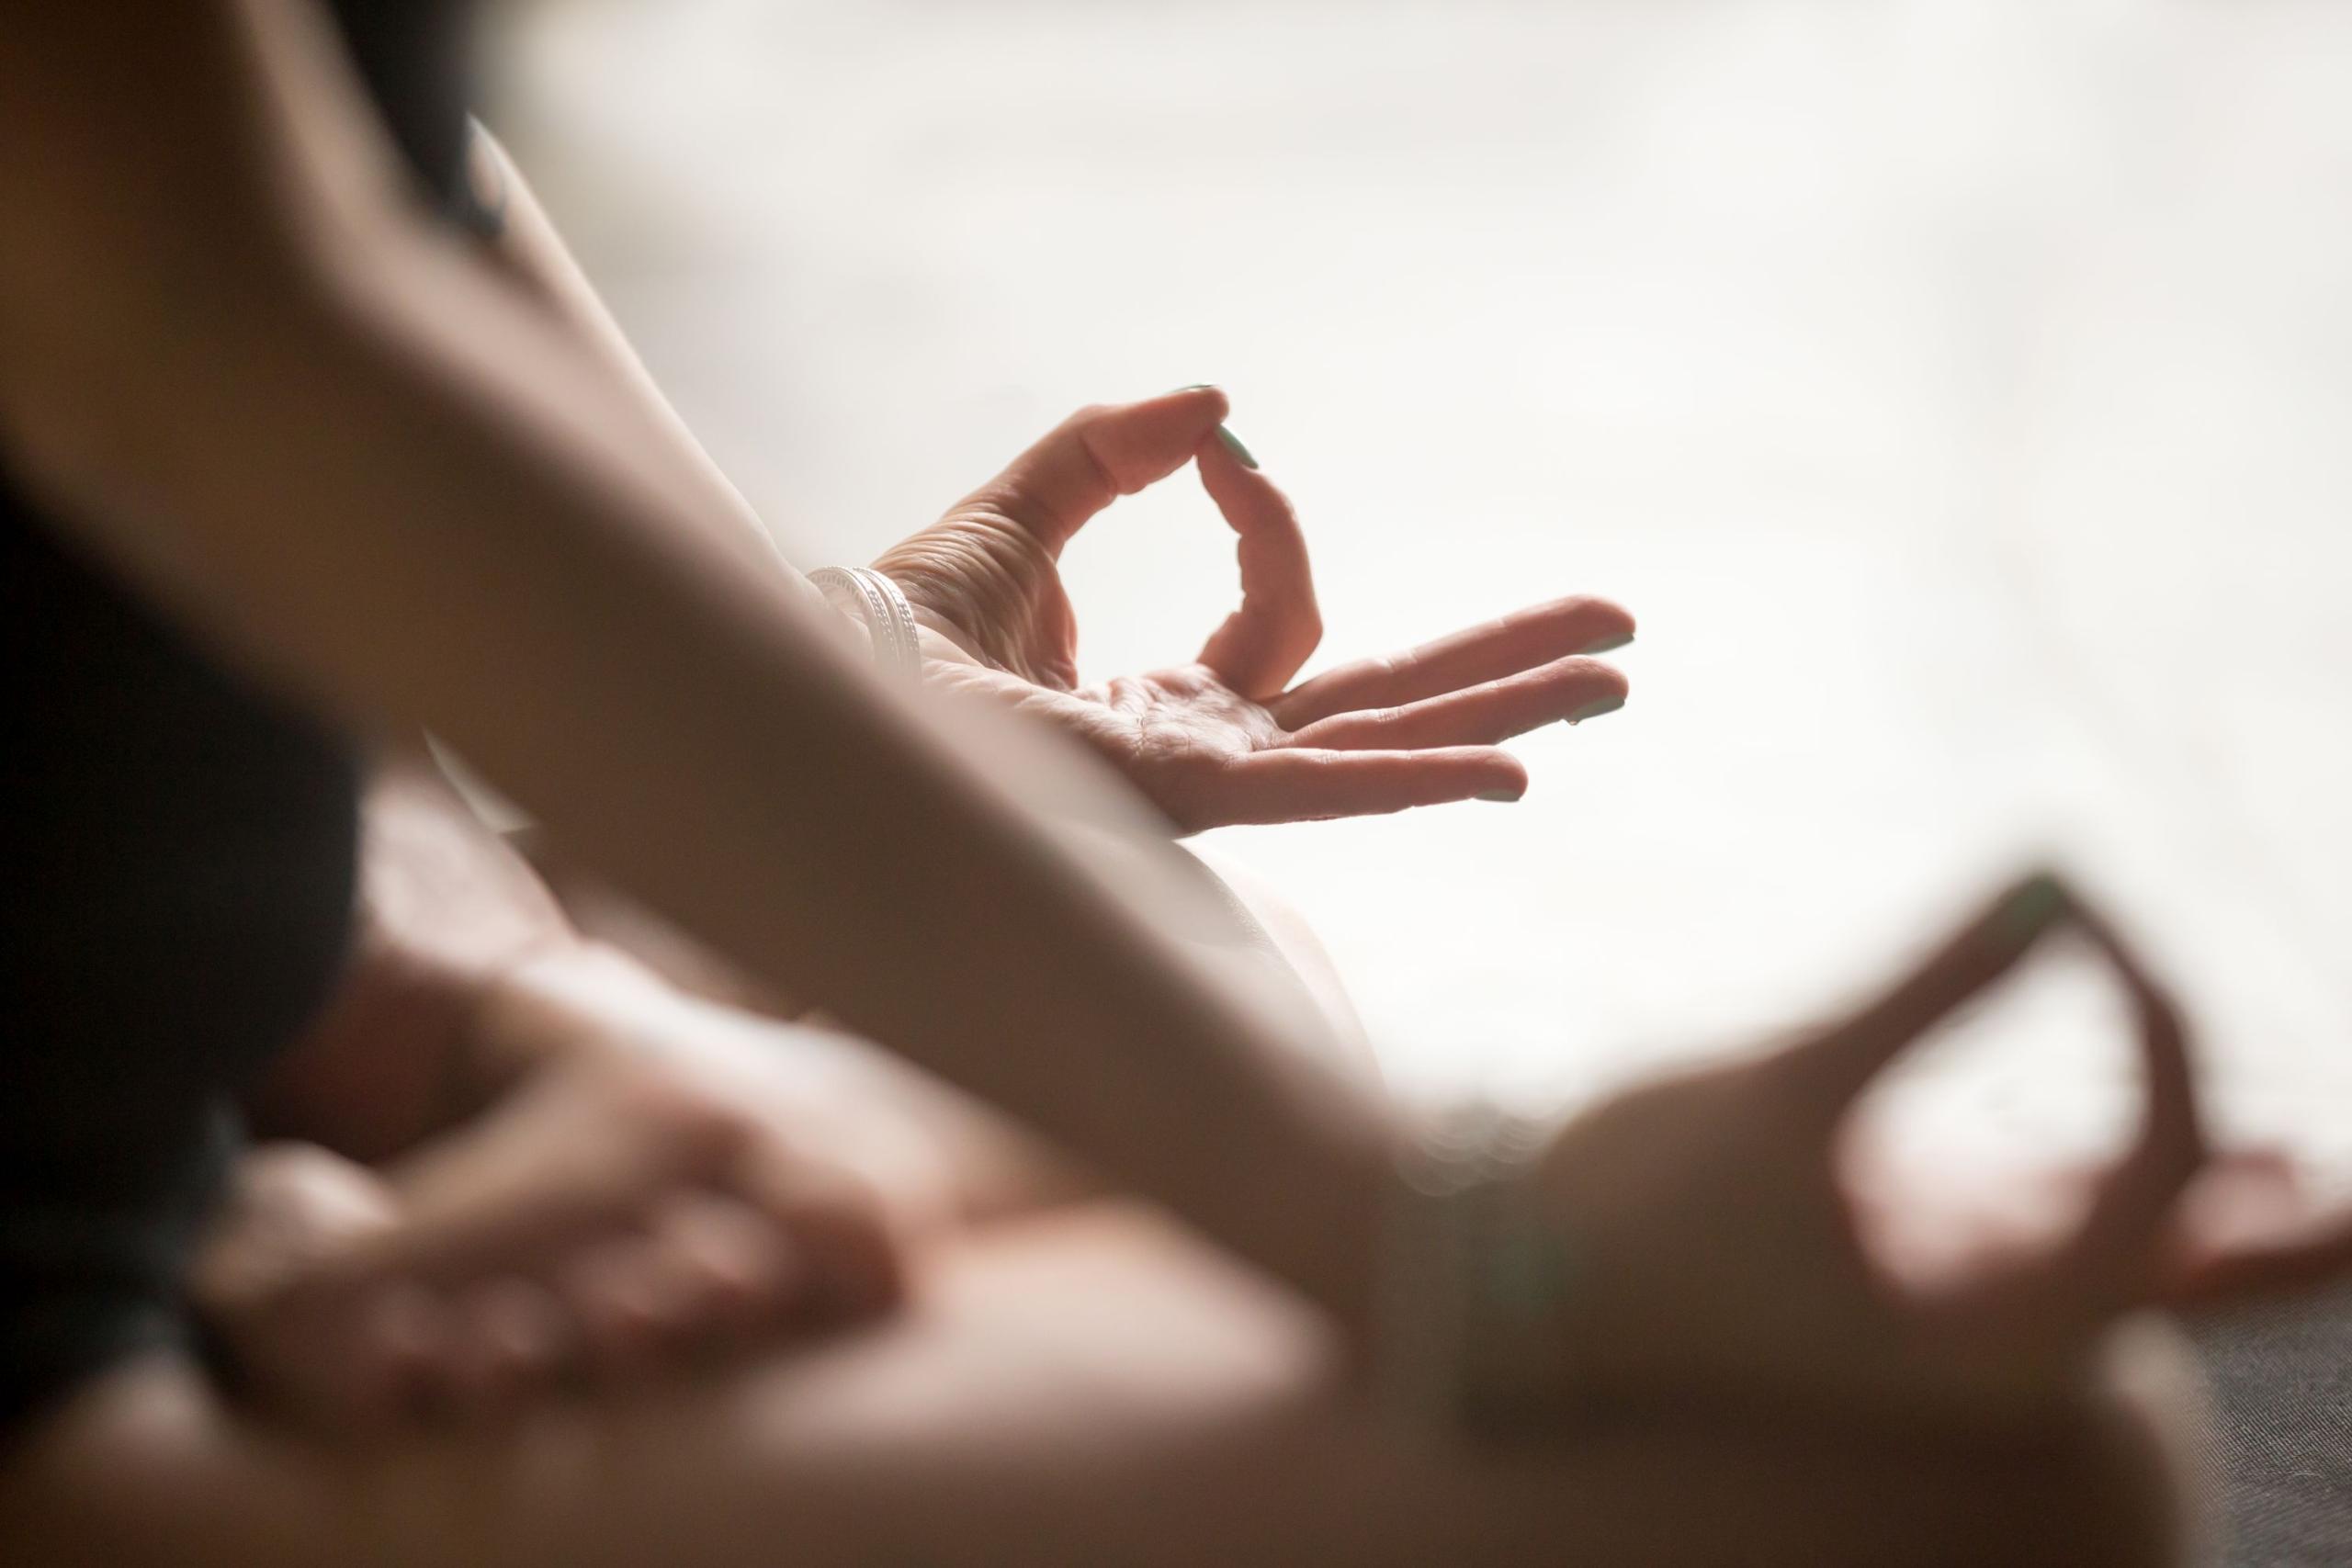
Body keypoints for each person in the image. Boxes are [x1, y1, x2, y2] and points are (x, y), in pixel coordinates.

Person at [6, 2, 2349, 1562]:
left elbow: (299, 199)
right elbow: (208, 321)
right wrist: (1468, 1249)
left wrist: (579, 914)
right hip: (72, 1348)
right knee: (1989, 1482)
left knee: (1151, 964)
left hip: (224, 1064)